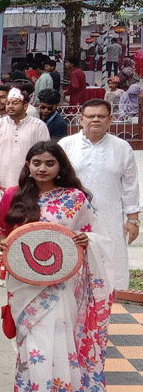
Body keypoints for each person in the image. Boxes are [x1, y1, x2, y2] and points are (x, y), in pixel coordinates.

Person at [0, 141, 111, 392]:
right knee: (32, 342)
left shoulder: (75, 198)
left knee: (60, 338)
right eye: (36, 163)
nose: (42, 168)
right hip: (23, 284)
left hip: (62, 282)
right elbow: (2, 236)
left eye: (49, 163)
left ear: (60, 166)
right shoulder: (14, 196)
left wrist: (87, 241)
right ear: (28, 165)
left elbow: (93, 233)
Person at [60, 98, 140, 293]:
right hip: (73, 217)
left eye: (101, 116)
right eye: (90, 116)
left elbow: (130, 185)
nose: (95, 120)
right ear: (80, 119)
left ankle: (113, 309)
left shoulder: (122, 148)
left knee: (111, 265)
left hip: (110, 217)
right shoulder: (66, 145)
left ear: (110, 119)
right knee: (73, 266)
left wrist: (133, 219)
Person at [0, 87, 50, 190]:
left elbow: (44, 154)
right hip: (1, 182)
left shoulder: (38, 126)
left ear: (25, 106)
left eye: (14, 103)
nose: (10, 106)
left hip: (29, 183)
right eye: (8, 103)